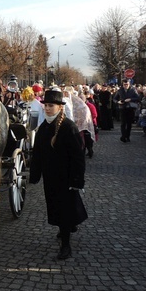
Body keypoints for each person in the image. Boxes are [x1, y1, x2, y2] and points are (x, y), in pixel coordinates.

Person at [29, 89, 87, 260]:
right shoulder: (43, 128)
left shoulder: (69, 127)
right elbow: (37, 152)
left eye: (51, 106)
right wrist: (35, 173)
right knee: (55, 206)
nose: (47, 108)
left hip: (66, 177)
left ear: (60, 107)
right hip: (50, 176)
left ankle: (66, 245)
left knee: (65, 209)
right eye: (45, 105)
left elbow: (78, 156)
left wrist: (77, 179)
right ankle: (66, 228)